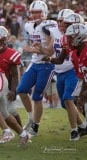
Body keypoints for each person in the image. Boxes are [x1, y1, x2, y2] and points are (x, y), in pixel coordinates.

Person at [41, 12, 87, 140]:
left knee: (70, 99)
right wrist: (50, 59)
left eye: (67, 24)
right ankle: (83, 126)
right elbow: (61, 58)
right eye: (63, 23)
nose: (62, 26)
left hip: (75, 72)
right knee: (67, 103)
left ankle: (74, 131)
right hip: (69, 72)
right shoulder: (64, 38)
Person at [16, 0, 55, 137]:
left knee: (37, 96)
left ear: (44, 12)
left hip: (47, 64)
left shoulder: (49, 26)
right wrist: (33, 48)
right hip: (34, 63)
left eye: (38, 12)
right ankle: (31, 118)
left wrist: (33, 49)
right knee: (21, 90)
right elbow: (36, 43)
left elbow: (50, 52)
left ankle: (35, 127)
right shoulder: (29, 25)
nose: (35, 14)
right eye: (33, 12)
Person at [0, 26, 22, 127]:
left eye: (1, 40)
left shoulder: (11, 54)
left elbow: (15, 75)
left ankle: (21, 130)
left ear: (6, 40)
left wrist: (13, 90)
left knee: (11, 111)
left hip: (5, 86)